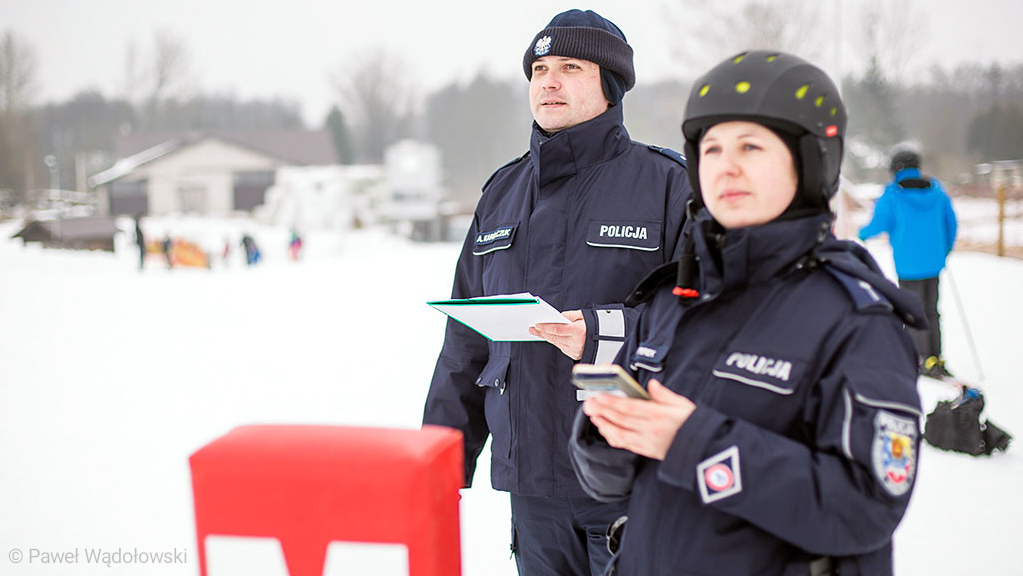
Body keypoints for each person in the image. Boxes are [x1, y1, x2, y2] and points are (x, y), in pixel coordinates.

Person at [569, 51, 925, 576]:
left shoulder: (855, 320)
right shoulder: (673, 300)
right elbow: (619, 482)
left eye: (751, 146)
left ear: (810, 162)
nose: (725, 166)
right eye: (710, 149)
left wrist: (693, 442)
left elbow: (866, 506)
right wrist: (608, 440)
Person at [422, 9, 692, 576]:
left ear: (612, 85)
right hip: (533, 494)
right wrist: (438, 464)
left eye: (570, 66)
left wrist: (601, 332)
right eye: (539, 68)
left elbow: (702, 321)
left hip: (632, 478)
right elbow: (464, 344)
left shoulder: (670, 186)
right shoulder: (501, 192)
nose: (548, 81)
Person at [859, 149, 958, 379]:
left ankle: (921, 359)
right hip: (934, 262)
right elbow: (951, 223)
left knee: (914, 311)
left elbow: (879, 223)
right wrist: (945, 249)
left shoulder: (892, 193)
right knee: (932, 310)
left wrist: (861, 233)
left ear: (896, 169)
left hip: (908, 264)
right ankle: (935, 356)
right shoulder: (937, 190)